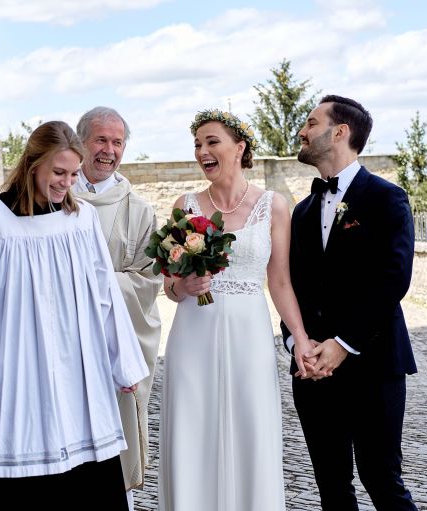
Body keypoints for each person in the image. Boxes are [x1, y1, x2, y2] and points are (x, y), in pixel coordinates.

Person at [0, 120, 149, 510]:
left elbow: (105, 294)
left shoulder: (81, 219)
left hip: (78, 374)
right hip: (14, 370)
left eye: (73, 174)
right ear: (33, 164)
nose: (67, 183)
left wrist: (123, 362)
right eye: (58, 172)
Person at [158, 109, 311, 511]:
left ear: (240, 147)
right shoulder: (185, 205)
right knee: (193, 429)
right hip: (193, 334)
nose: (202, 151)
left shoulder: (274, 206)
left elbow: (280, 282)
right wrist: (183, 286)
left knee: (251, 427)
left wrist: (300, 339)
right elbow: (169, 285)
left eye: (212, 142)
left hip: (250, 336)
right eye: (197, 144)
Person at [283, 95, 418, 510]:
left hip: (374, 363)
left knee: (382, 480)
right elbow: (290, 286)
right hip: (312, 371)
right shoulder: (302, 211)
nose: (302, 132)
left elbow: (393, 281)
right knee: (332, 486)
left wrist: (343, 345)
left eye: (311, 123)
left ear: (340, 132)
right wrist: (297, 343)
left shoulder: (387, 198)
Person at [72, 106, 161, 508]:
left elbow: (147, 280)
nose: (109, 150)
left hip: (113, 342)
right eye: (100, 140)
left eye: (117, 142)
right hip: (64, 341)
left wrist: (94, 288)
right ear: (80, 143)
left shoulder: (138, 210)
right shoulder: (53, 197)